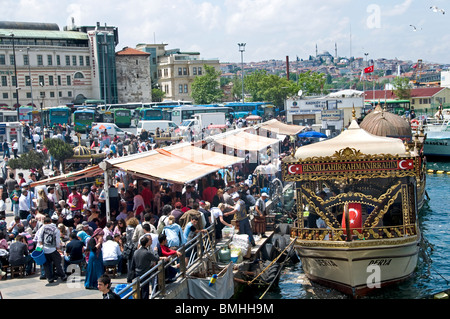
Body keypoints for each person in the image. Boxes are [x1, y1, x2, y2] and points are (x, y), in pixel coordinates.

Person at [36, 217, 67, 283]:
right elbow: (57, 241)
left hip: (44, 249)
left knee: (46, 264)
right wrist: (57, 247)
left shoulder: (42, 228)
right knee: (58, 263)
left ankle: (50, 278)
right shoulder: (56, 229)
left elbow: (39, 238)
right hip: (53, 249)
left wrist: (41, 247)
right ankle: (62, 276)